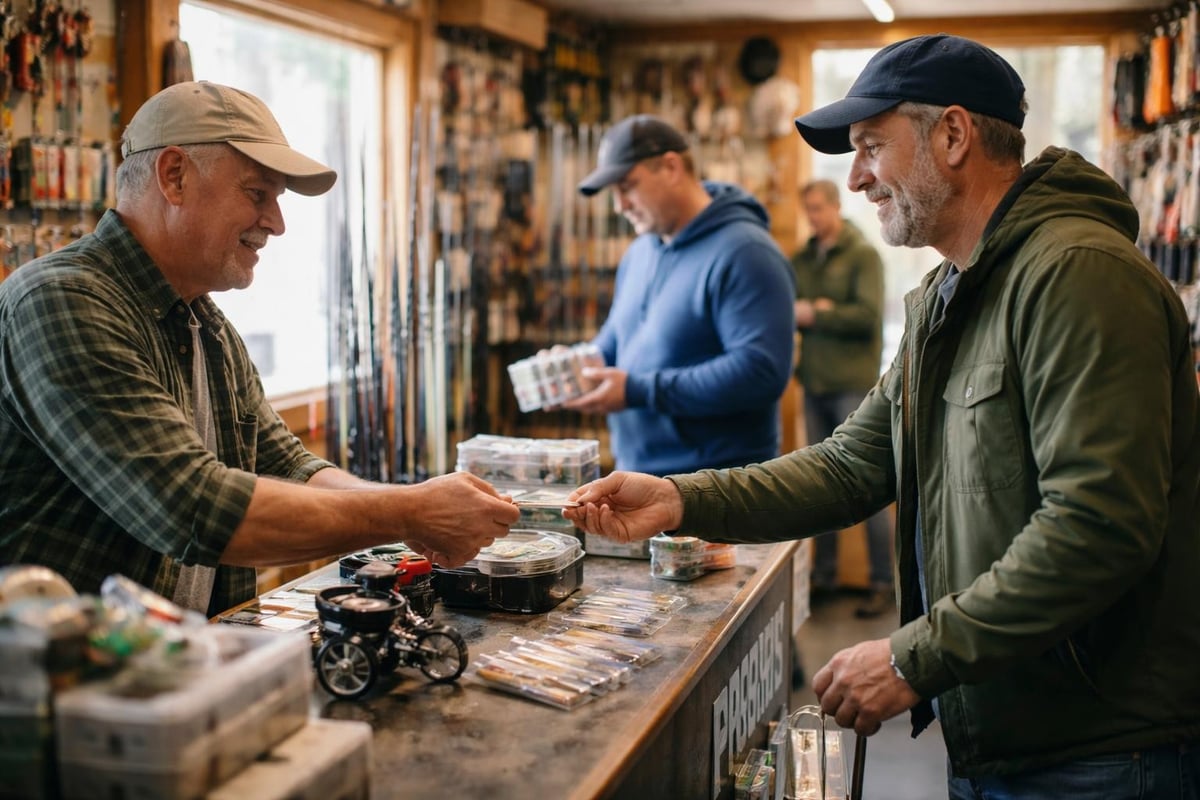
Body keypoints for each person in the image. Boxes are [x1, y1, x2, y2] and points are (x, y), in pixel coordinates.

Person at [565, 34, 1200, 798]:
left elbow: (1099, 526)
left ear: (954, 135)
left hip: (1101, 750)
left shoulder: (1079, 277)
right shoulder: (946, 297)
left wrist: (913, 658)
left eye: (871, 146)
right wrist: (683, 499)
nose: (857, 177)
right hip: (1004, 732)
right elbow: (850, 465)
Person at [0, 81, 519, 618]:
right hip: (56, 685)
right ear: (174, 176)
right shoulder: (62, 302)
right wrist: (409, 512)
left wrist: (414, 513)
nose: (277, 222)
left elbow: (287, 464)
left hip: (171, 669)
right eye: (257, 194)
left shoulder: (203, 322)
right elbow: (191, 507)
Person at [566, 114, 795, 476]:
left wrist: (638, 390)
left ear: (671, 167)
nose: (619, 206)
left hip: (718, 490)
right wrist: (574, 367)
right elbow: (614, 342)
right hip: (638, 477)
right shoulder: (640, 251)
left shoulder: (747, 252)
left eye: (627, 186)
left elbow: (760, 372)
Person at [791, 178, 893, 618]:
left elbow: (868, 315)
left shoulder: (863, 254)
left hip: (853, 384)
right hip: (813, 382)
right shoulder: (800, 258)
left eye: (818, 208)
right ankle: (825, 576)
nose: (813, 217)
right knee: (820, 485)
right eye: (807, 209)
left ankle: (882, 583)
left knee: (865, 483)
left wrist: (818, 312)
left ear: (835, 207)